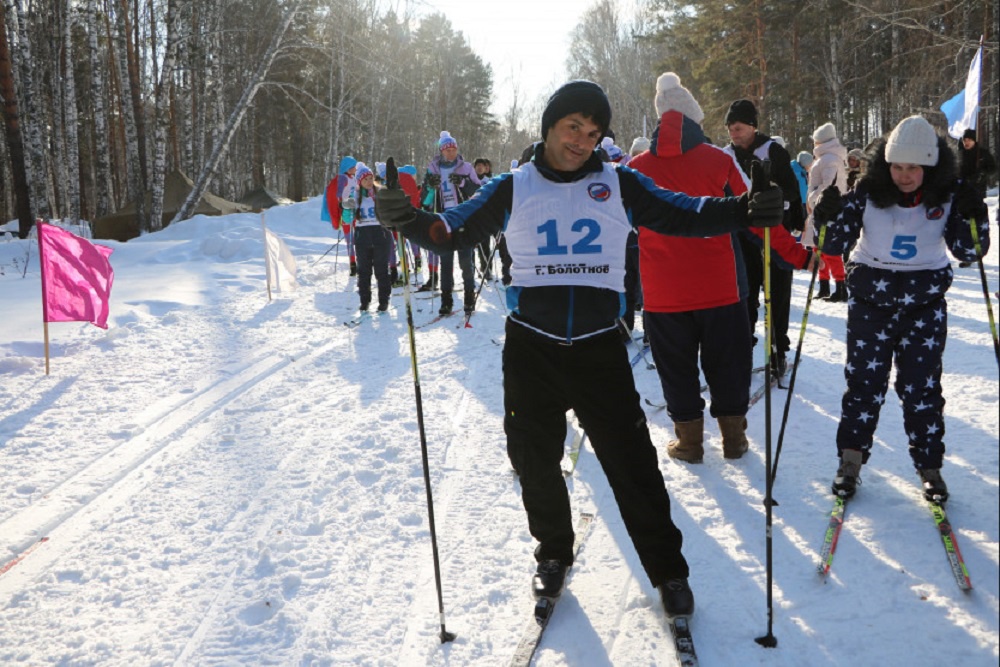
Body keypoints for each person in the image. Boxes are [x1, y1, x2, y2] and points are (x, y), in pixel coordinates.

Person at [375, 80, 787, 619]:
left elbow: (683, 213)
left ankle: (668, 571)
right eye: (574, 128)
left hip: (598, 349)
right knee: (534, 460)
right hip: (533, 349)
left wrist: (745, 211)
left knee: (634, 466)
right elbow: (451, 229)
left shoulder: (620, 183)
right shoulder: (512, 186)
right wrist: (404, 219)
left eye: (593, 133)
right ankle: (552, 553)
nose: (582, 141)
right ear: (549, 126)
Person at [630, 72, 816, 463]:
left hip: (663, 294)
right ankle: (734, 440)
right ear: (696, 122)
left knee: (675, 369)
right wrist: (800, 255)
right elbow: (758, 219)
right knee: (729, 365)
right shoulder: (719, 160)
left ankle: (689, 443)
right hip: (722, 287)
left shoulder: (636, 168)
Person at [812, 115, 990, 502]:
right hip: (870, 302)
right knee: (863, 386)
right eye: (897, 166)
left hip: (923, 304)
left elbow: (969, 250)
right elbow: (829, 244)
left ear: (931, 166)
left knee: (921, 389)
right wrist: (824, 215)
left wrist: (976, 216)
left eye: (913, 168)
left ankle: (930, 468)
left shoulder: (949, 193)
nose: (904, 175)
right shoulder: (868, 190)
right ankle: (850, 461)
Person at [723, 99, 806, 376]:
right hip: (742, 233)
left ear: (752, 126)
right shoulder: (726, 155)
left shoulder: (773, 150)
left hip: (774, 231)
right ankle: (742, 349)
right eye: (730, 129)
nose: (733, 133)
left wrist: (773, 197)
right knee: (744, 296)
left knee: (777, 296)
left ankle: (778, 351)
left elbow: (794, 192)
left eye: (738, 127)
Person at [420, 131, 482, 315]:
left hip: (462, 217)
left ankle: (469, 298)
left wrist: (463, 183)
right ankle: (446, 300)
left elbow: (479, 191)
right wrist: (430, 186)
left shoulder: (466, 167)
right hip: (443, 218)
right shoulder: (433, 168)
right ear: (441, 151)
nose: (452, 153)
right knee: (445, 261)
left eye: (454, 149)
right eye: (448, 150)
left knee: (465, 261)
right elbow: (424, 200)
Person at [805, 122, 849, 302]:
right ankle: (824, 286)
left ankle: (840, 287)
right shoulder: (827, 158)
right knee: (819, 250)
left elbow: (827, 186)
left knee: (830, 250)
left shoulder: (829, 159)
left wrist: (812, 198)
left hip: (827, 210)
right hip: (821, 210)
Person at [349, 163, 394, 312]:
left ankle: (383, 301)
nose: (369, 181)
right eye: (365, 179)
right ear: (359, 181)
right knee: (364, 271)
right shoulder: (355, 195)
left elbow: (391, 210)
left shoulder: (380, 192)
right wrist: (345, 208)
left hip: (381, 233)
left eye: (370, 178)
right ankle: (364, 301)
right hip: (363, 234)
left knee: (381, 270)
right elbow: (348, 218)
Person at [956, 128, 997, 268]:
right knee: (963, 225)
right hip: (961, 194)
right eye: (964, 140)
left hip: (976, 194)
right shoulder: (959, 153)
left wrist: (981, 174)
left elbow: (993, 168)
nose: (966, 143)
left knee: (976, 224)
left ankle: (977, 251)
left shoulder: (982, 153)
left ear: (974, 140)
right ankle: (967, 253)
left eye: (969, 140)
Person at [324, 156, 359, 276]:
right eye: (353, 166)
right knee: (350, 239)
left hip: (354, 208)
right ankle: (353, 264)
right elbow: (338, 193)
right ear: (348, 168)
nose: (355, 168)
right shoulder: (343, 178)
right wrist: (342, 204)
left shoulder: (353, 178)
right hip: (347, 209)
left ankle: (357, 261)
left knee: (357, 237)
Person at [473, 157, 496, 280]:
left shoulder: (490, 180)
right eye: (478, 166)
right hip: (476, 216)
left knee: (488, 244)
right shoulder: (472, 179)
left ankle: (488, 268)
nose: (480, 168)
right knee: (478, 244)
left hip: (488, 216)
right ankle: (480, 268)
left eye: (483, 166)